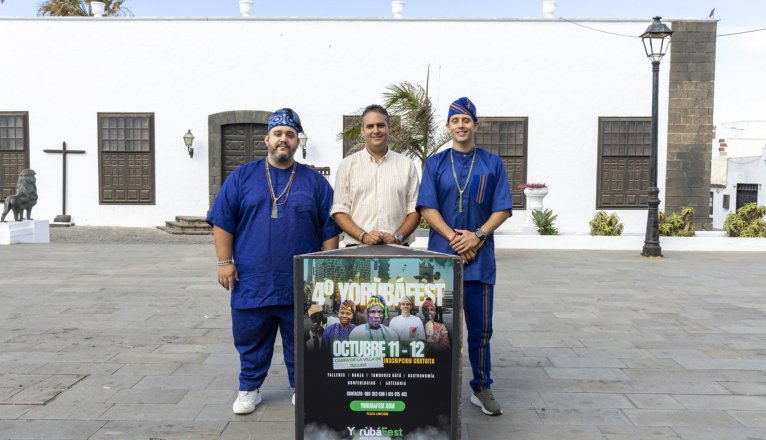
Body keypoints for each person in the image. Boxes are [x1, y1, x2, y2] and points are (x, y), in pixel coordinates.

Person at [207, 108, 340, 415]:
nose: (284, 139)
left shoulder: (315, 183)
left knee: (303, 339)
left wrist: (325, 271)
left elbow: (329, 229)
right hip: (252, 279)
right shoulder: (242, 177)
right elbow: (223, 221)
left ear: (297, 142)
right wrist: (224, 262)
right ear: (266, 139)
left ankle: (302, 387)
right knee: (250, 338)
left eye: (290, 135)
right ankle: (249, 388)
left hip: (300, 280)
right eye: (278, 134)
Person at [417, 97, 512, 416]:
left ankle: (481, 387)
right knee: (437, 328)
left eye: (466, 120)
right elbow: (427, 207)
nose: (461, 125)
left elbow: (502, 208)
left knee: (481, 329)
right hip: (440, 262)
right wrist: (455, 238)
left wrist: (477, 236)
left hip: (479, 262)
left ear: (475, 126)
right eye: (455, 121)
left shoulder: (492, 164)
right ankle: (435, 386)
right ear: (448, 127)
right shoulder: (435, 164)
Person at [331, 104, 420, 246]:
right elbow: (340, 211)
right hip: (357, 248)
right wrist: (363, 236)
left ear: (389, 128)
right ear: (362, 131)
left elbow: (414, 210)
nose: (376, 131)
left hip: (397, 249)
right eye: (370, 126)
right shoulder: (347, 165)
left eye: (381, 125)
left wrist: (397, 237)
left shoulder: (406, 165)